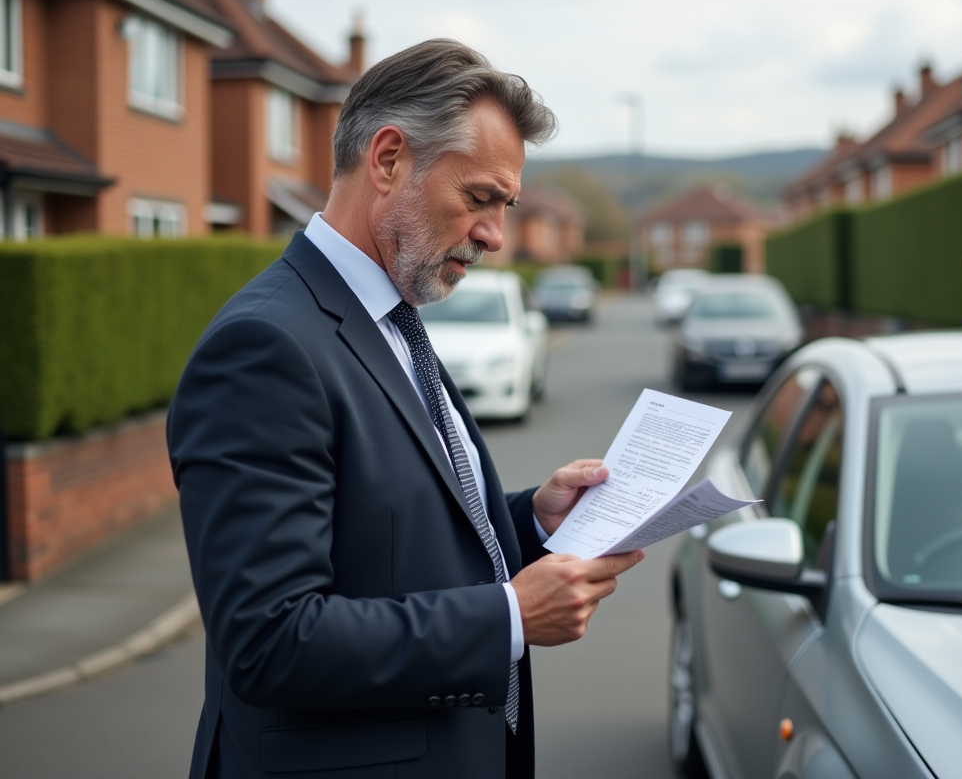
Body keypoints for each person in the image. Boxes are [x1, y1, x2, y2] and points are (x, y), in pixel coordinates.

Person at [167, 39, 643, 779]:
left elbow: (401, 539)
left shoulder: (391, 316)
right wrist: (509, 618)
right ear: (388, 160)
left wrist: (529, 520)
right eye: (479, 198)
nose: (494, 234)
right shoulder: (264, 347)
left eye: (506, 206)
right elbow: (269, 640)